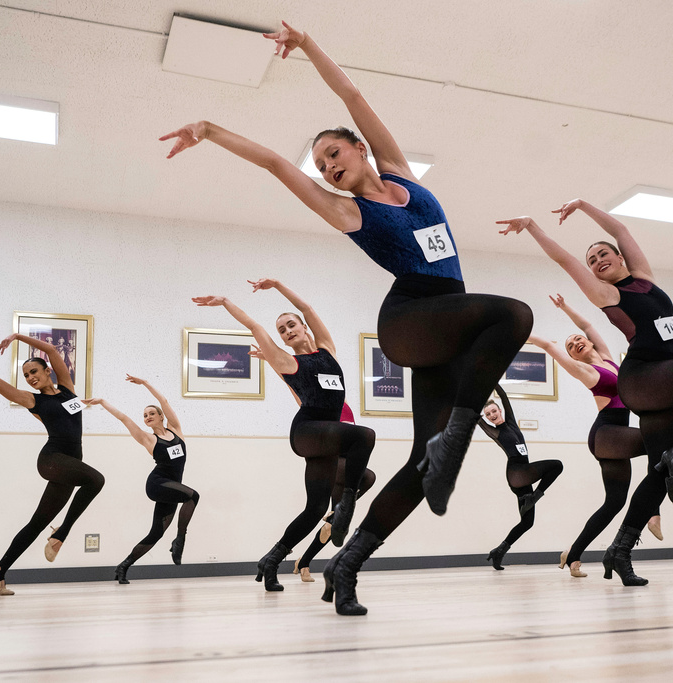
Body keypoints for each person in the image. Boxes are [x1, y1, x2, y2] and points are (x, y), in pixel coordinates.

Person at [163, 21, 531, 615]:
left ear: (359, 148)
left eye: (334, 153)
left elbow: (354, 98)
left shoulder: (404, 175)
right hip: (412, 315)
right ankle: (463, 430)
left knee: (421, 462)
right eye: (322, 165)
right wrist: (209, 130)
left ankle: (347, 563)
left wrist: (307, 46)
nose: (328, 167)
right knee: (514, 313)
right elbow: (276, 166)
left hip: (449, 326)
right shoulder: (345, 211)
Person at [498, 207, 673, 586]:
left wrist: (583, 204)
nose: (596, 261)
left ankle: (619, 551)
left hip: (663, 383)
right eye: (592, 260)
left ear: (620, 256)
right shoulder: (607, 293)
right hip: (642, 376)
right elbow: (565, 259)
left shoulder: (645, 278)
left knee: (660, 474)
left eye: (602, 254)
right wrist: (532, 227)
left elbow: (620, 228)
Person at [192, 278, 376, 594]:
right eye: (282, 330)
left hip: (326, 439)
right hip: (306, 432)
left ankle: (272, 560)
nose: (287, 330)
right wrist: (225, 302)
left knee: (315, 509)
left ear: (304, 328)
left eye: (291, 325)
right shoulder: (286, 361)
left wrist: (277, 285)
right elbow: (253, 325)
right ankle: (345, 506)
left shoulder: (328, 350)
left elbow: (307, 307)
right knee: (364, 436)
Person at [528, 295, 659, 579]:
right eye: (571, 346)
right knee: (658, 442)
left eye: (578, 339)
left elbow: (587, 324)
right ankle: (654, 512)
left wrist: (565, 308)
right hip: (606, 433)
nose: (576, 342)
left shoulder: (610, 359)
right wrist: (519, 332)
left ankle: (573, 553)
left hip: (615, 437)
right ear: (573, 356)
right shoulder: (585, 370)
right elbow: (549, 345)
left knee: (614, 502)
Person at [0, 333, 105, 596]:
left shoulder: (67, 390)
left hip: (71, 462)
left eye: (34, 371)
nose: (30, 378)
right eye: (27, 375)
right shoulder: (34, 400)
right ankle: (61, 534)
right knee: (96, 480)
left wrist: (18, 336)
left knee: (37, 521)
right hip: (52, 460)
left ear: (47, 371)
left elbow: (52, 350)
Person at [83, 376, 200, 583]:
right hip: (157, 484)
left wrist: (145, 383)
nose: (147, 417)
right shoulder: (148, 439)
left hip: (172, 489)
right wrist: (102, 402)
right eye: (145, 415)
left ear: (161, 416)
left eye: (151, 413)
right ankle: (180, 539)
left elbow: (163, 400)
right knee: (193, 496)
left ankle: (123, 567)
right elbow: (123, 418)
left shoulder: (176, 430)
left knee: (156, 534)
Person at [478, 385, 563, 570]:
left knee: (527, 522)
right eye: (488, 414)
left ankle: (499, 551)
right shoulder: (495, 432)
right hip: (517, 473)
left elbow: (503, 396)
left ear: (499, 410)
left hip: (523, 476)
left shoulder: (511, 423)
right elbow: (476, 420)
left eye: (494, 410)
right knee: (557, 465)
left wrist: (492, 381)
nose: (492, 415)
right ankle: (535, 496)